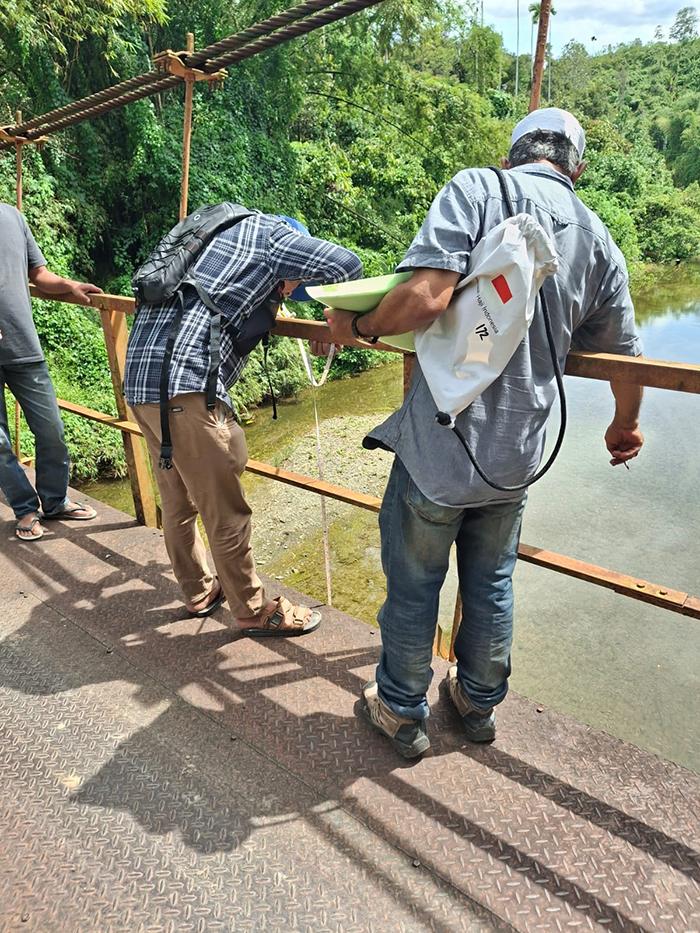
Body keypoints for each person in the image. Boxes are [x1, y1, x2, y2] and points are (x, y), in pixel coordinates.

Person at [320, 108, 644, 758]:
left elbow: (425, 296)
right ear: (576, 169)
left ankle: (402, 709)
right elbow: (626, 357)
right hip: (515, 459)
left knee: (415, 581)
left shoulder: (476, 189)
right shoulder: (598, 237)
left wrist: (354, 329)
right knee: (492, 579)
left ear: (513, 154)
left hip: (440, 447)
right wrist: (624, 426)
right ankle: (475, 702)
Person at [124, 210, 362, 636]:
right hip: (186, 386)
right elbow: (346, 265)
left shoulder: (216, 237)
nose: (288, 293)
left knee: (178, 500)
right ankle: (252, 610)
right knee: (226, 510)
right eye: (292, 285)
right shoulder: (274, 237)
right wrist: (338, 312)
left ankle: (198, 591)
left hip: (143, 382)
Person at [0, 203, 102, 541]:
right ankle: (25, 508)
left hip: (23, 347)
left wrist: (70, 285)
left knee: (52, 431)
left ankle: (55, 501)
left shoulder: (13, 216)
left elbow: (39, 274)